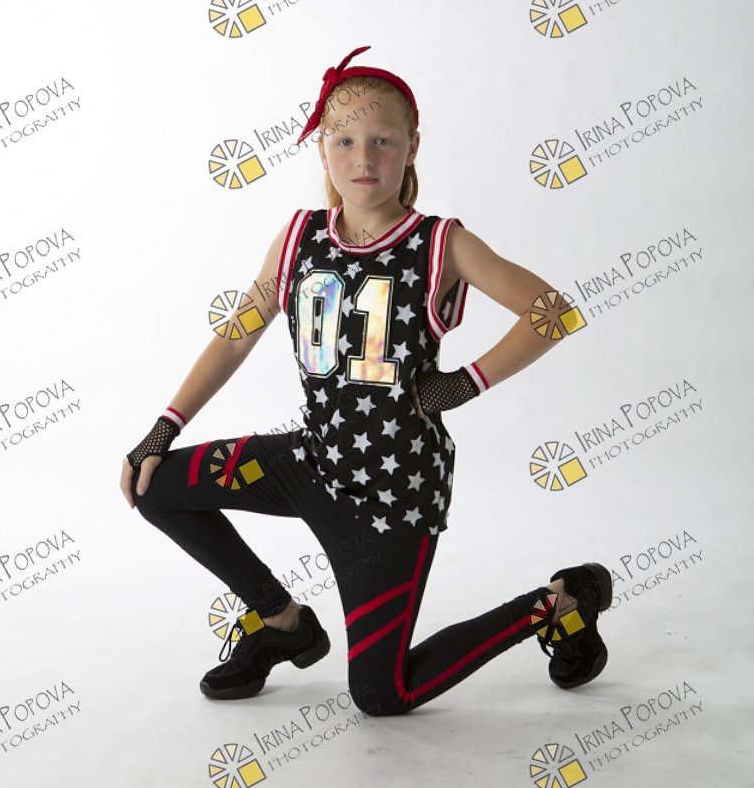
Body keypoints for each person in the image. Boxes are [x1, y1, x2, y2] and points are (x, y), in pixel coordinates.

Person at [119, 44, 613, 716]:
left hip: (393, 493)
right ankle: (281, 622)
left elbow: (551, 312)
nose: (363, 158)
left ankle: (560, 603)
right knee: (153, 484)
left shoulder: (439, 243)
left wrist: (462, 384)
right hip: (311, 463)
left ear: (412, 147)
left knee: (382, 694)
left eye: (383, 140)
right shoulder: (298, 237)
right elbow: (236, 335)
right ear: (321, 148)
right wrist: (163, 427)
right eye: (344, 140)